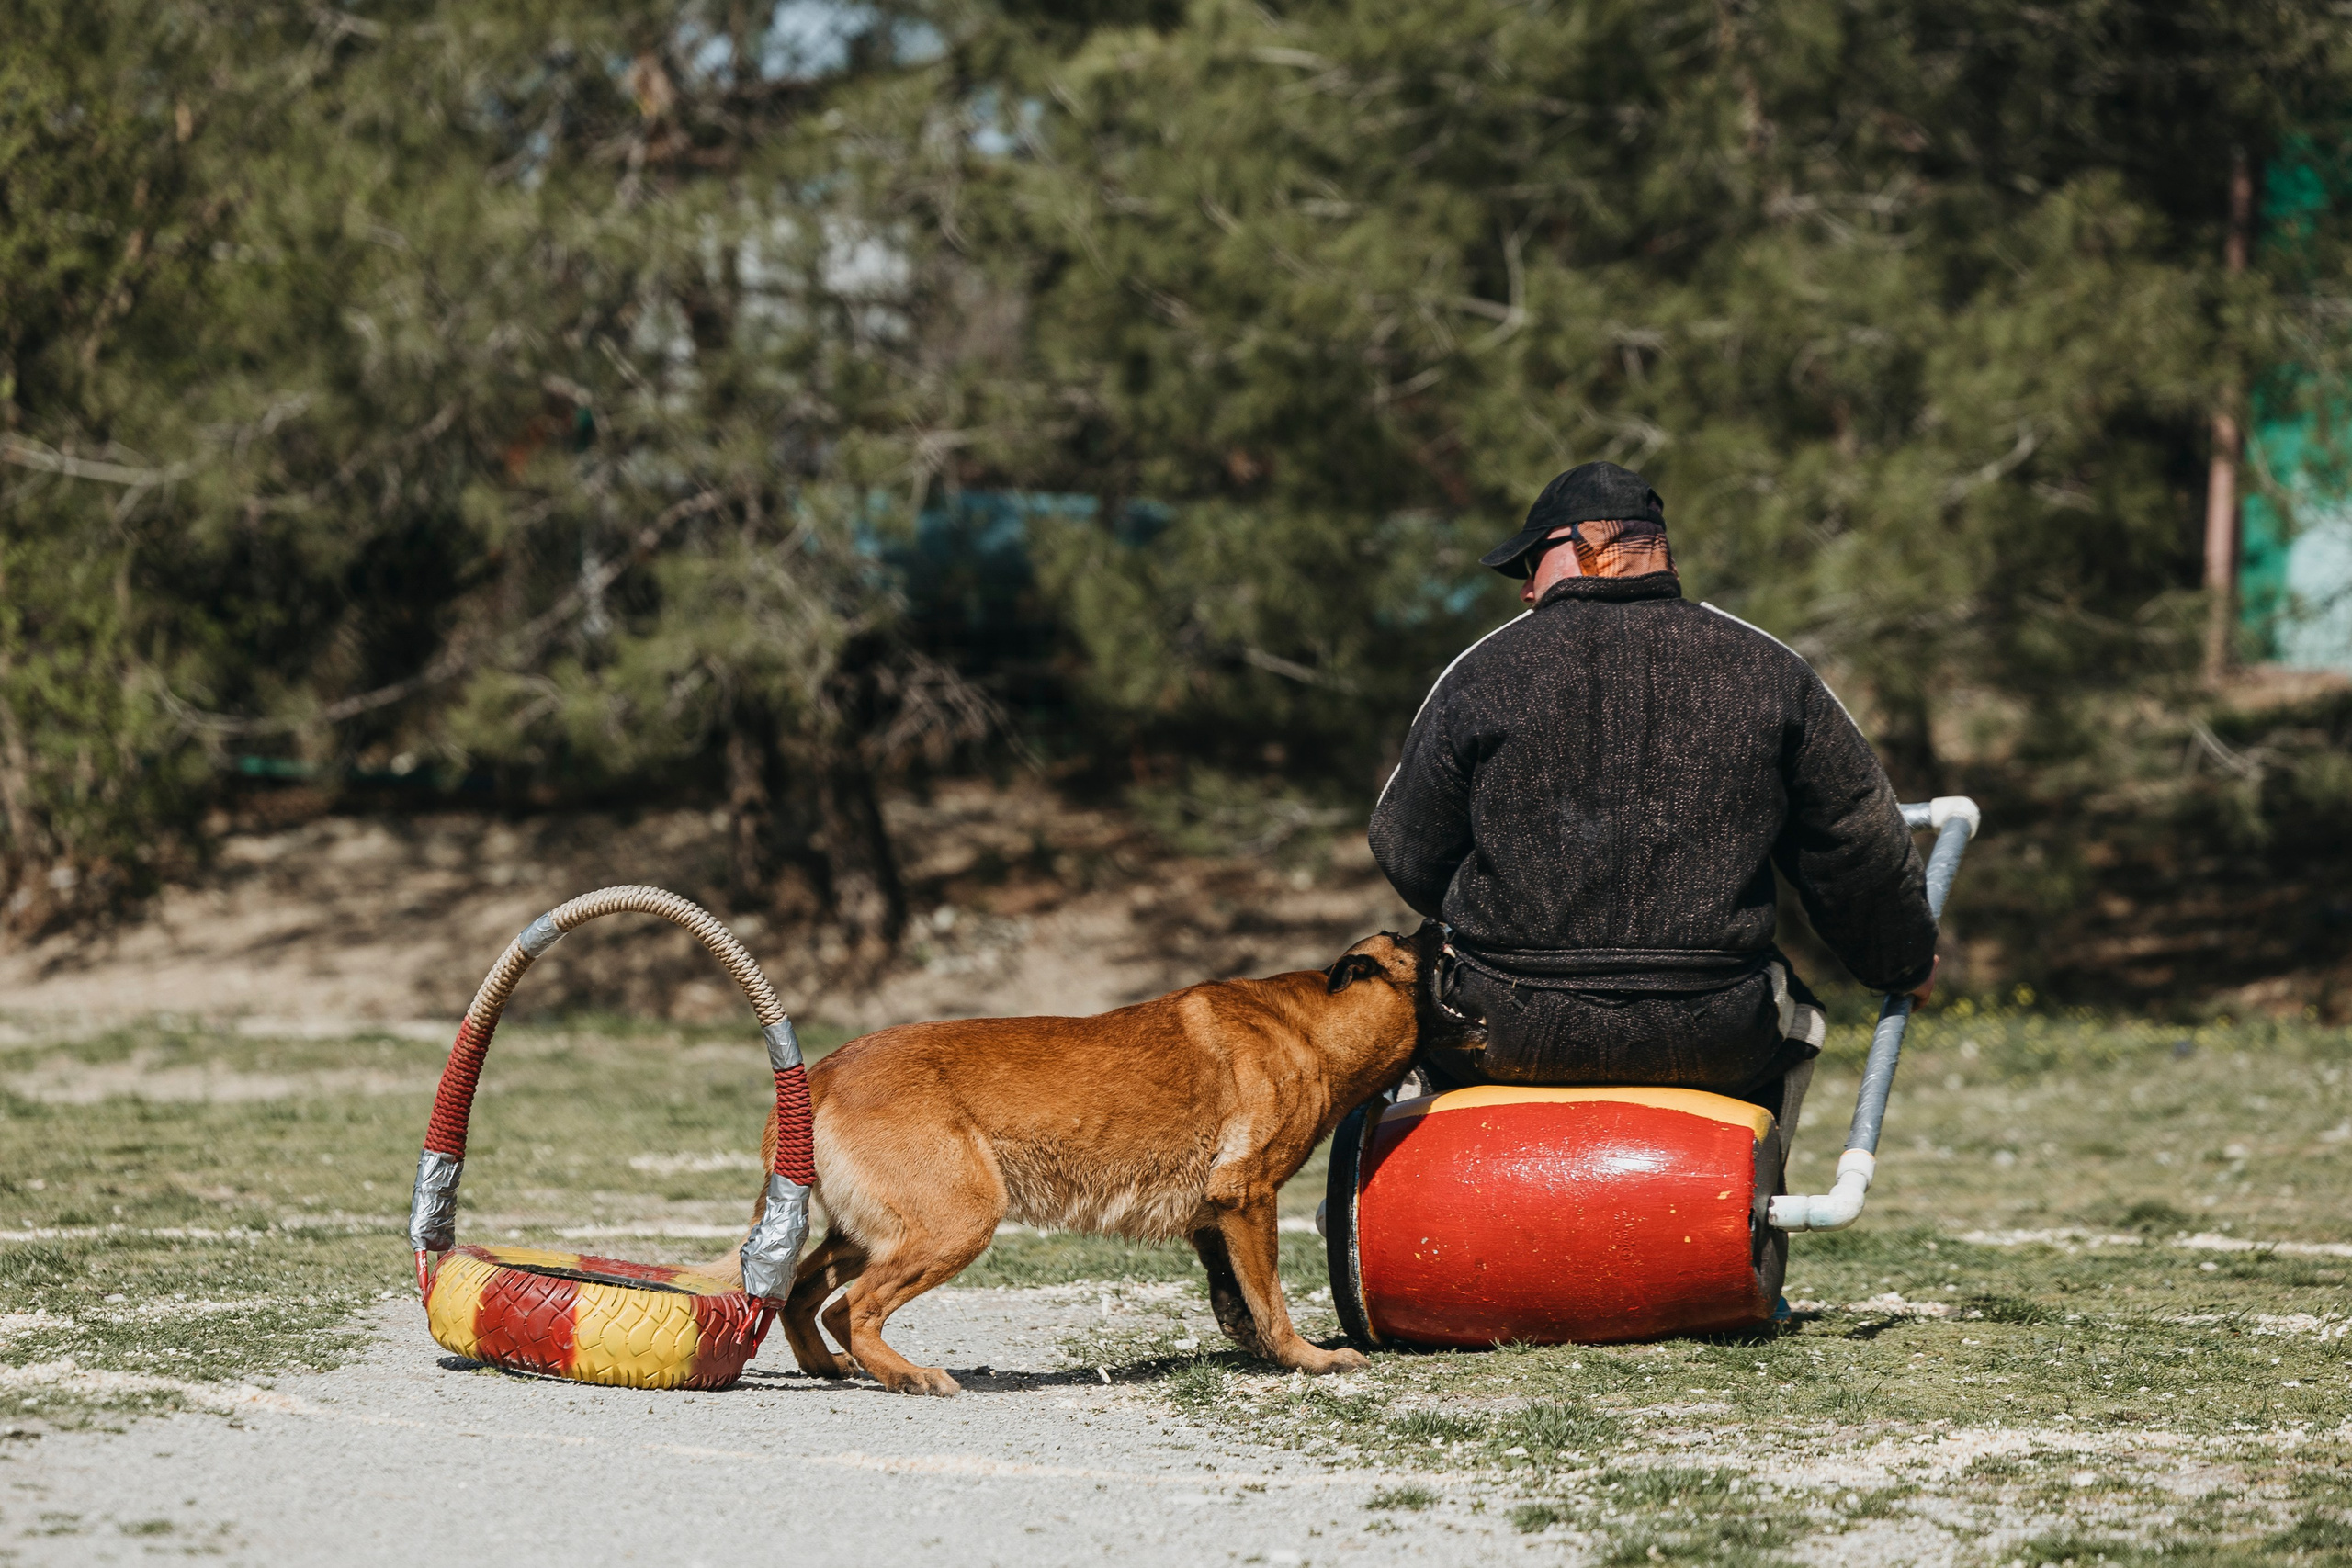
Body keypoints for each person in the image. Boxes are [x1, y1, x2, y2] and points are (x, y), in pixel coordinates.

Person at [1368, 461, 1938, 1136]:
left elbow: (1406, 846)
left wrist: (1511, 923)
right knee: (1800, 1018)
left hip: (1508, 1023)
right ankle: (1750, 1207)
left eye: (1529, 562)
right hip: (1717, 1029)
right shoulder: (1767, 665)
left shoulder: (1484, 669)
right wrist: (1900, 962)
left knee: (1410, 1010)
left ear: (1577, 545)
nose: (1524, 590)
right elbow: (1853, 841)